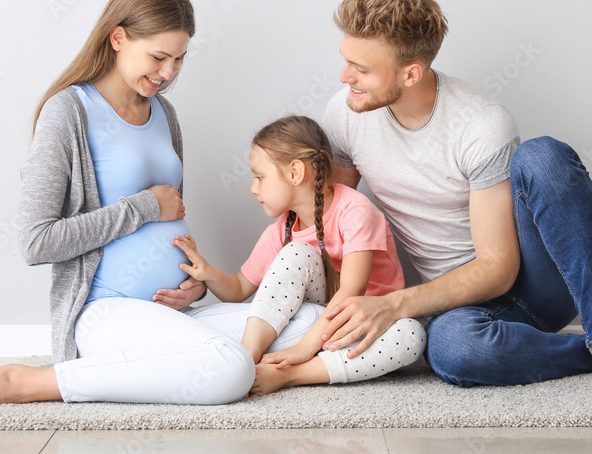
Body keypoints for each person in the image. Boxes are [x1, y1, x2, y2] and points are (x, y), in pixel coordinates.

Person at [318, 0, 592, 394]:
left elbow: (497, 269)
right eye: (345, 60)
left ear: (411, 73)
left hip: (534, 283)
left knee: (543, 156)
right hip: (454, 308)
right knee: (453, 351)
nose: (344, 77)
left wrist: (394, 305)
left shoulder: (480, 123)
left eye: (360, 69)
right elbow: (334, 221)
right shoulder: (346, 114)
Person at [0, 0, 260, 419]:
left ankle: (165, 358)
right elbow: (37, 241)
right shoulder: (68, 111)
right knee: (231, 368)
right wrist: (141, 209)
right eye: (159, 57)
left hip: (168, 314)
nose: (168, 74)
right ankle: (28, 381)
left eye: (179, 60)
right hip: (106, 313)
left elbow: (173, 215)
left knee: (309, 321)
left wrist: (194, 286)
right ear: (118, 37)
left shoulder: (164, 113)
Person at [172, 115, 424, 396]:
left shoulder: (356, 212)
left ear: (295, 172)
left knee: (412, 334)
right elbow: (240, 288)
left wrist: (304, 349)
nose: (253, 188)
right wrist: (207, 273)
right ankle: (245, 358)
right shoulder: (283, 229)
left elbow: (352, 291)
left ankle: (292, 375)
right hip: (315, 320)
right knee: (297, 252)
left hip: (362, 324)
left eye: (259, 177)